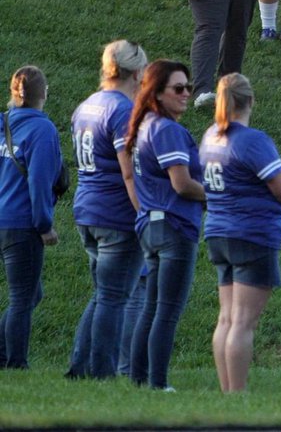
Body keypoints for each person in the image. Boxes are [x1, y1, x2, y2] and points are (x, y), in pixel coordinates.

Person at [199, 73, 281, 393]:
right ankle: (237, 395)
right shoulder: (252, 140)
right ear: (250, 101)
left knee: (226, 318)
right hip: (251, 233)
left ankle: (227, 392)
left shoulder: (210, 135)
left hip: (218, 231)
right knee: (242, 322)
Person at [67, 41, 148, 379]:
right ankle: (102, 373)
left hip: (87, 207)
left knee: (104, 294)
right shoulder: (123, 112)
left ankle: (79, 367)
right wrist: (144, 214)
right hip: (115, 213)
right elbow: (128, 171)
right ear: (138, 73)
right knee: (115, 297)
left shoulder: (86, 105)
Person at [127, 60, 207, 390]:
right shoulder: (167, 129)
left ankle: (138, 379)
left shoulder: (144, 123)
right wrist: (218, 194)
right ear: (157, 93)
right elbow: (182, 184)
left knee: (151, 307)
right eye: (178, 88)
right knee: (167, 310)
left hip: (150, 224)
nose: (186, 93)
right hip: (174, 225)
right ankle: (158, 383)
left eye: (188, 86)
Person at [0, 66, 61, 369]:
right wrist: (44, 225)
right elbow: (39, 181)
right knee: (23, 297)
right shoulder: (43, 129)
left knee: (31, 292)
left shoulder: (3, 123)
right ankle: (16, 364)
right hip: (22, 224)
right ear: (44, 94)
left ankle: (2, 353)